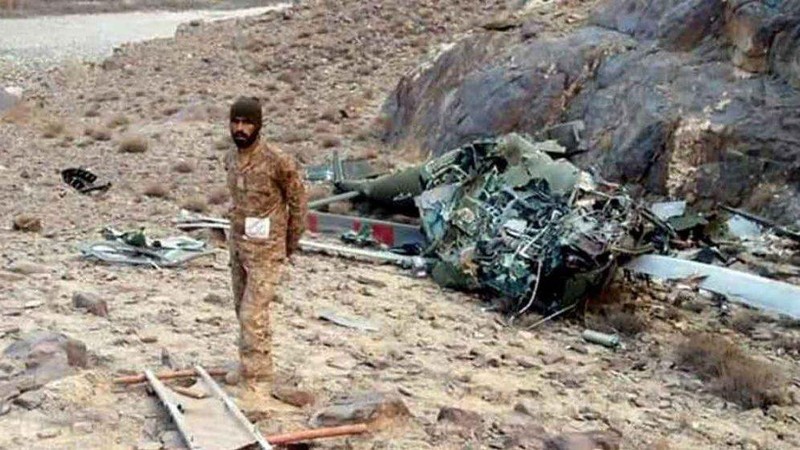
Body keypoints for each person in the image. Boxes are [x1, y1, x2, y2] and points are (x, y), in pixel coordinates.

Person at [225, 96, 307, 416]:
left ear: (258, 125)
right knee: (241, 308)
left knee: (253, 313)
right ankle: (250, 366)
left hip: (267, 250)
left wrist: (289, 243)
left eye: (247, 123)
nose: (240, 128)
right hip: (239, 246)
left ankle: (258, 380)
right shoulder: (230, 158)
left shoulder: (277, 161)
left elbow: (298, 202)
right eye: (236, 122)